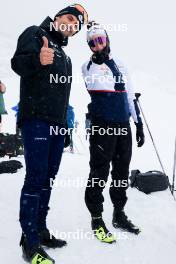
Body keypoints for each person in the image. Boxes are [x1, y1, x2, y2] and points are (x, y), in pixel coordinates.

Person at [11, 4, 88, 264]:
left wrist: (65, 127)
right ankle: (29, 241)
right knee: (35, 177)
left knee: (49, 178)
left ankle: (41, 230)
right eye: (69, 18)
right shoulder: (35, 33)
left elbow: (63, 97)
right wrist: (36, 59)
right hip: (36, 119)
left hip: (56, 124)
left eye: (76, 25)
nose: (72, 25)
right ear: (57, 18)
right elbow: (17, 64)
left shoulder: (65, 57)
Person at [82, 22, 145, 244]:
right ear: (89, 46)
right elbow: (95, 83)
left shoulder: (121, 64)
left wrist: (138, 124)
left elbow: (128, 96)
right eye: (93, 43)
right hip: (102, 127)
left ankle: (119, 213)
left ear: (107, 39)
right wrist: (100, 61)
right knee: (99, 171)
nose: (98, 46)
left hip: (122, 126)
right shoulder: (87, 67)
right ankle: (96, 218)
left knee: (121, 172)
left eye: (101, 40)